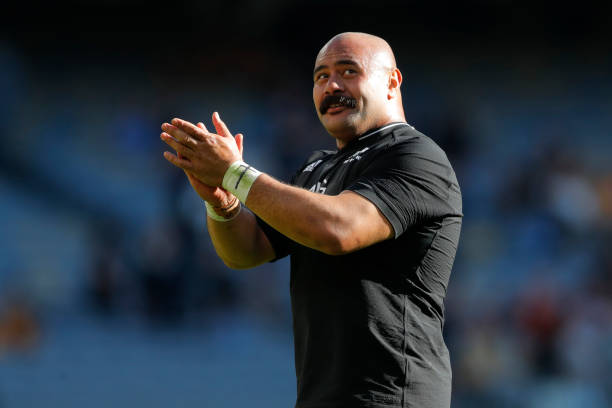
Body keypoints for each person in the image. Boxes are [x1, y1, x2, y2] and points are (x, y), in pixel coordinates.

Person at [160, 32, 462, 408]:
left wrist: (235, 174)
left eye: (348, 71)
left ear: (391, 81)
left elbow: (339, 230)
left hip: (392, 397)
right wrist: (222, 203)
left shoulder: (416, 156)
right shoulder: (316, 167)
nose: (331, 86)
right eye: (320, 77)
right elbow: (246, 251)